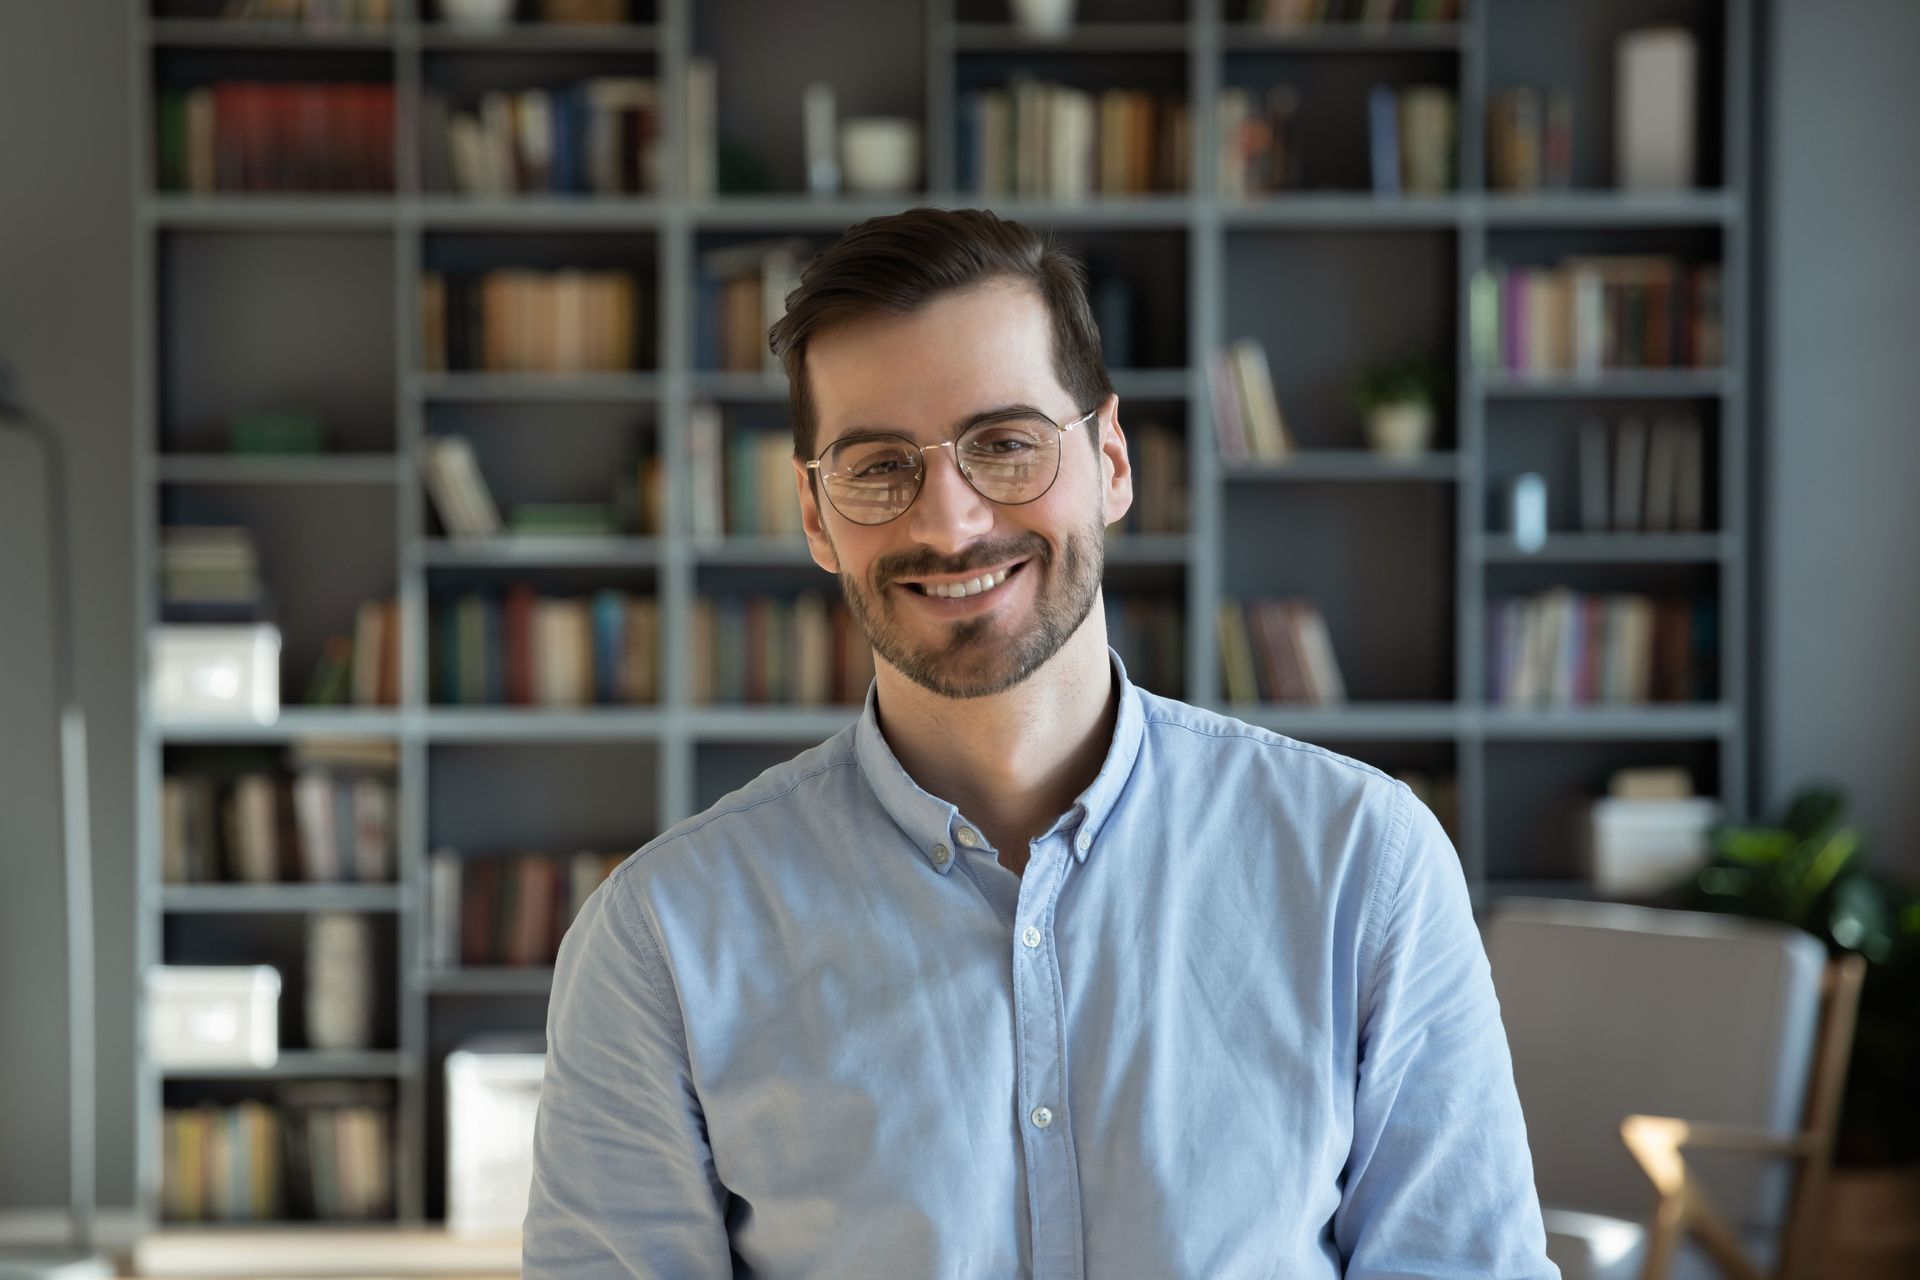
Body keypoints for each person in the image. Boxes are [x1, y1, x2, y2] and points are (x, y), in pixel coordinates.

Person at [523, 207, 1557, 1278]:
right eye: (880, 466)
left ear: (1112, 459)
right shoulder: (660, 941)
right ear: (817, 516)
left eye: (1006, 444)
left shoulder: (1363, 865)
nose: (951, 522)